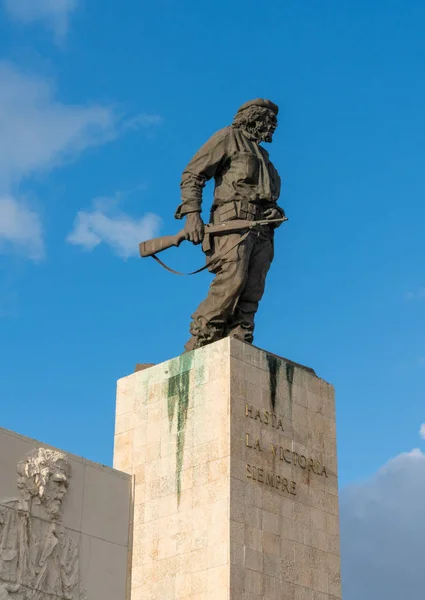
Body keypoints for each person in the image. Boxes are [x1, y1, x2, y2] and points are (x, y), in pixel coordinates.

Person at [175, 98, 285, 351]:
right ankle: (202, 336)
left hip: (262, 229)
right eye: (270, 120)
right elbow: (193, 174)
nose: (274, 126)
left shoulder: (264, 157)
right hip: (231, 224)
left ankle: (240, 335)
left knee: (253, 287)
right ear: (254, 117)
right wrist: (192, 214)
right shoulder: (228, 137)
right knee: (231, 281)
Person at [0, 448, 84, 600]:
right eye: (58, 483)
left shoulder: (66, 545)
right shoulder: (5, 517)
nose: (63, 491)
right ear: (40, 479)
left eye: (66, 486)